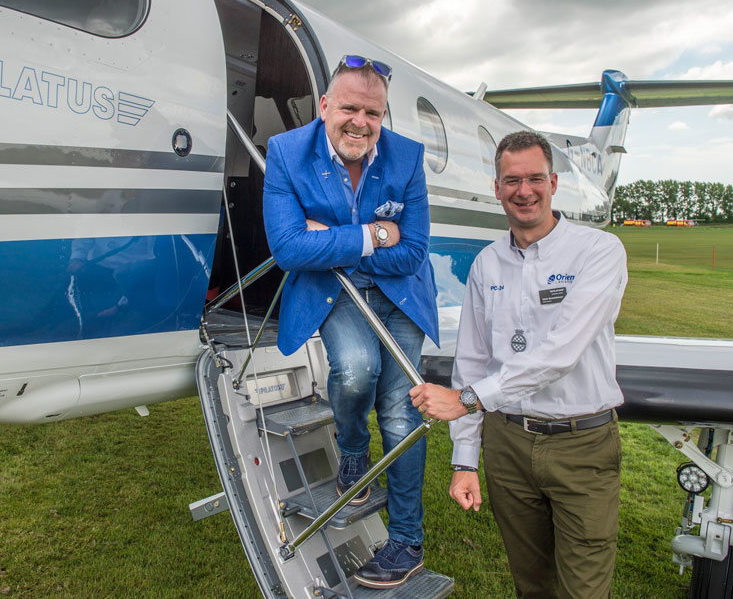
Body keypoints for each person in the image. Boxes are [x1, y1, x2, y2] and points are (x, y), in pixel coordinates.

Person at [409, 131, 627, 598]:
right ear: (496, 188)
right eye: (511, 180)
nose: (523, 191)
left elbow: (560, 352)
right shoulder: (486, 264)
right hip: (507, 446)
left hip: (581, 446)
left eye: (533, 179)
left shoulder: (599, 251)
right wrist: (465, 460)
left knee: (584, 590)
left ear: (552, 183)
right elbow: (471, 360)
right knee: (532, 586)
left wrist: (467, 401)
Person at [263, 55, 438, 589]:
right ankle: (354, 458)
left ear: (383, 116)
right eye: (349, 108)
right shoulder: (288, 152)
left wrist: (332, 240)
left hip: (399, 295)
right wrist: (375, 233)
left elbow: (413, 253)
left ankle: (406, 541)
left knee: (402, 413)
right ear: (324, 106)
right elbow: (289, 249)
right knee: (356, 369)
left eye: (373, 112)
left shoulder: (406, 157)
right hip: (333, 293)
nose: (360, 121)